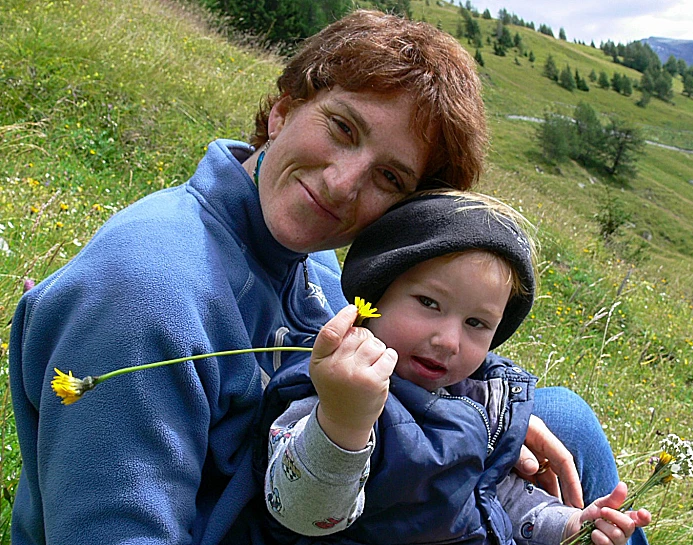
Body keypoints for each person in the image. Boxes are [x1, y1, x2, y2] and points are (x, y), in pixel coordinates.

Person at [8, 9, 645, 545]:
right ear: (284, 108)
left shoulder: (304, 255)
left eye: (390, 178)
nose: (343, 184)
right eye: (342, 128)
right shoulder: (146, 296)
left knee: (563, 421)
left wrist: (481, 413)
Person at [259, 191, 651, 545]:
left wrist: (568, 524)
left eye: (476, 324)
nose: (449, 340)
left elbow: (500, 497)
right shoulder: (337, 388)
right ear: (375, 294)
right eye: (429, 303)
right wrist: (344, 423)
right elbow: (299, 511)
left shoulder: (476, 400)